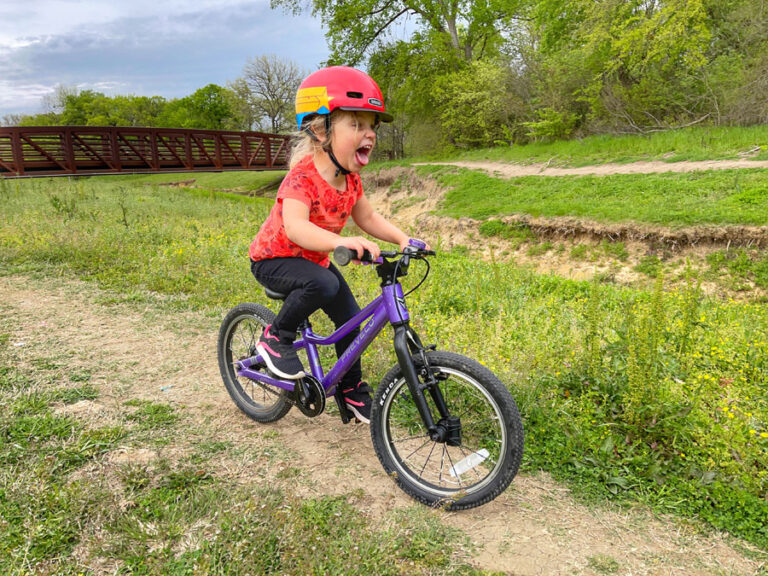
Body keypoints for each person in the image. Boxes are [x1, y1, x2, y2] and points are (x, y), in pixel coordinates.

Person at [248, 66, 420, 424]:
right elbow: (295, 228)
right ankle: (275, 337)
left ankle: (350, 391)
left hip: (313, 261)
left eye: (372, 125)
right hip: (274, 258)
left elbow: (368, 218)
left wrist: (403, 238)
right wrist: (341, 241)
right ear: (319, 129)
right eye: (356, 124)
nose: (369, 134)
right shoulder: (301, 179)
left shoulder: (351, 181)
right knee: (323, 283)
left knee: (350, 321)